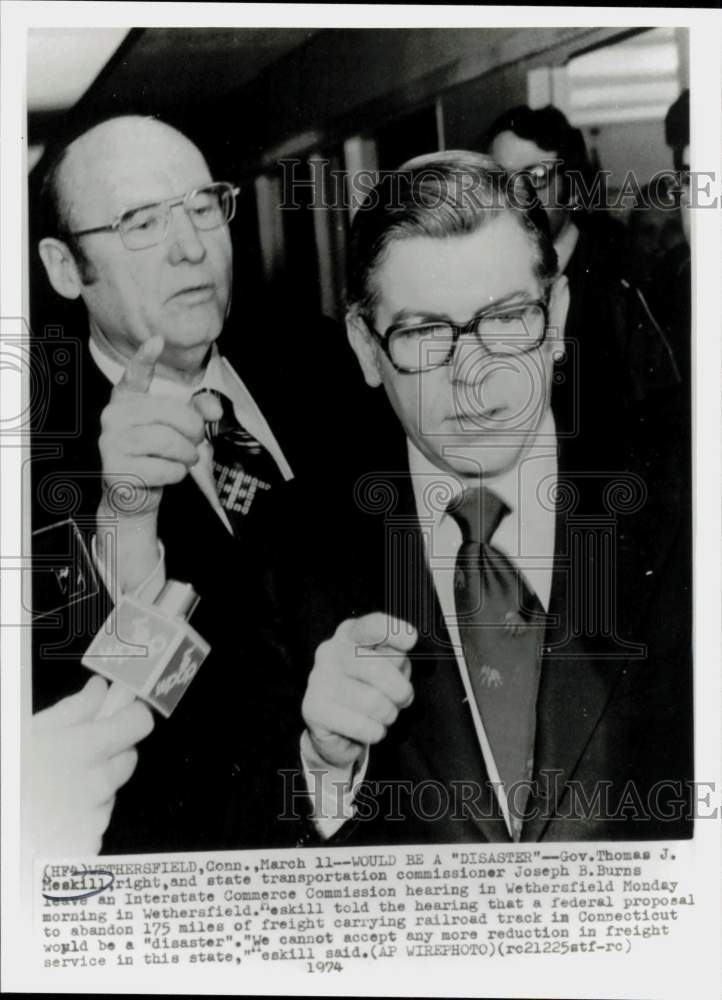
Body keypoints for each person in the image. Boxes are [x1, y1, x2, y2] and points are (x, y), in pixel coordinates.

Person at [284, 152, 692, 844]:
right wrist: (325, 765)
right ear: (363, 345)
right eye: (423, 333)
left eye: (506, 320)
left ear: (556, 313)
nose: (475, 378)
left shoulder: (683, 506)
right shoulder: (292, 546)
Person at [30, 115, 302, 854]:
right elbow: (123, 717)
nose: (191, 247)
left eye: (203, 206)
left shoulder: (321, 365)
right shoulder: (37, 476)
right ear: (63, 267)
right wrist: (129, 521)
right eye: (142, 223)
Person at [482, 105, 645, 457]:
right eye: (501, 179)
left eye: (536, 176)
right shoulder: (476, 288)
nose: (517, 194)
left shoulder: (620, 282)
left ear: (571, 188)